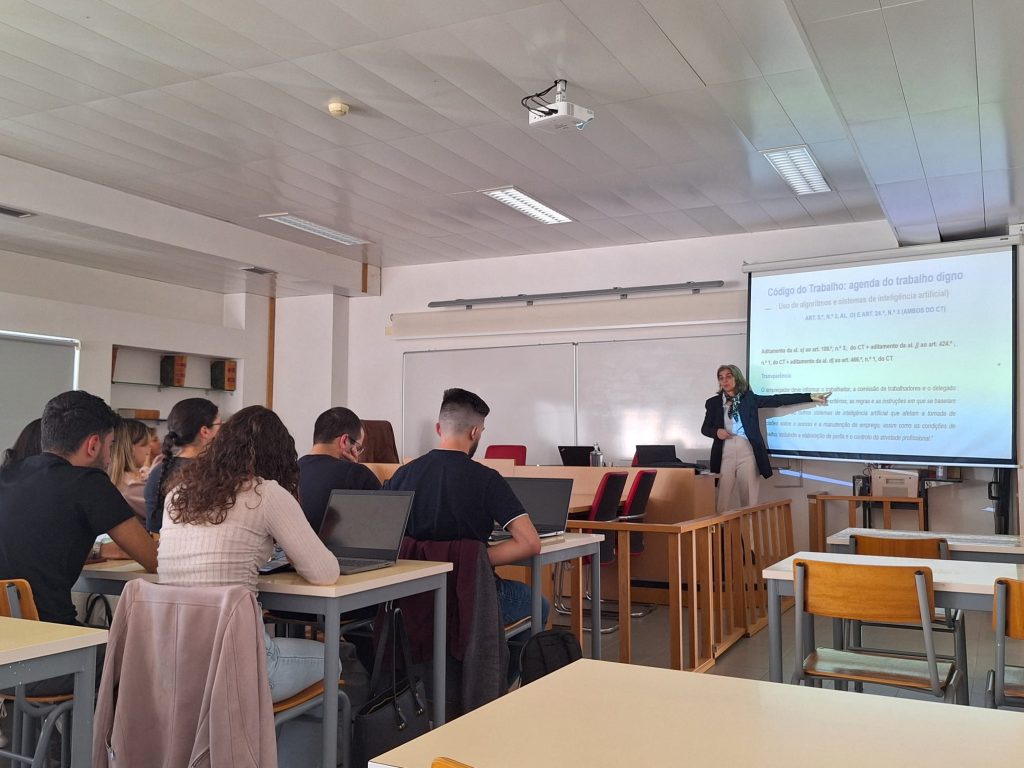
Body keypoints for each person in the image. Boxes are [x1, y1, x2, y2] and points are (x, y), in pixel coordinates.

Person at [157, 405, 341, 702]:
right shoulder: (266, 493)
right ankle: (282, 747)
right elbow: (325, 573)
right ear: (277, 456)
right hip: (237, 666)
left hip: (172, 665)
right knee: (334, 657)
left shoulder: (178, 494)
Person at [0, 391, 158, 693]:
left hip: (6, 651)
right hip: (50, 653)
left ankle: (63, 740)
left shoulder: (6, 476)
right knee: (148, 652)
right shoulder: (89, 483)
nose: (111, 457)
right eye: (111, 446)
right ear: (93, 444)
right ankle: (106, 742)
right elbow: (154, 560)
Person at [385, 388, 545, 628]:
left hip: (411, 597)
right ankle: (502, 664)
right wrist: (469, 559)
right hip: (472, 593)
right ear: (475, 432)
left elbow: (385, 536)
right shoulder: (487, 479)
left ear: (439, 429)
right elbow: (530, 543)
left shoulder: (403, 475)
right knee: (538, 605)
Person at [701, 364, 830, 512]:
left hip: (747, 452)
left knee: (749, 503)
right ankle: (720, 534)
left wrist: (810, 397)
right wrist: (716, 432)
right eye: (721, 378)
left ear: (737, 378)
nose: (725, 381)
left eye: (728, 376)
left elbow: (777, 400)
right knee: (721, 501)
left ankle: (747, 534)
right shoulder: (713, 403)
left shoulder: (748, 398)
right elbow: (705, 429)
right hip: (724, 453)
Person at [298, 406, 381, 531]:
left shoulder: (289, 470)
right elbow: (383, 526)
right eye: (358, 448)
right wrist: (355, 468)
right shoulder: (357, 475)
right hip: (335, 550)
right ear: (344, 440)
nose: (357, 454)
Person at [144, 397, 219, 533]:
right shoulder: (214, 473)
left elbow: (154, 528)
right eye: (219, 426)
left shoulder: (159, 471)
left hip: (162, 550)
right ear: (205, 431)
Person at [108, 418, 150, 519]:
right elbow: (166, 514)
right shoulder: (130, 486)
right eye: (144, 445)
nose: (148, 451)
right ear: (131, 449)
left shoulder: (119, 479)